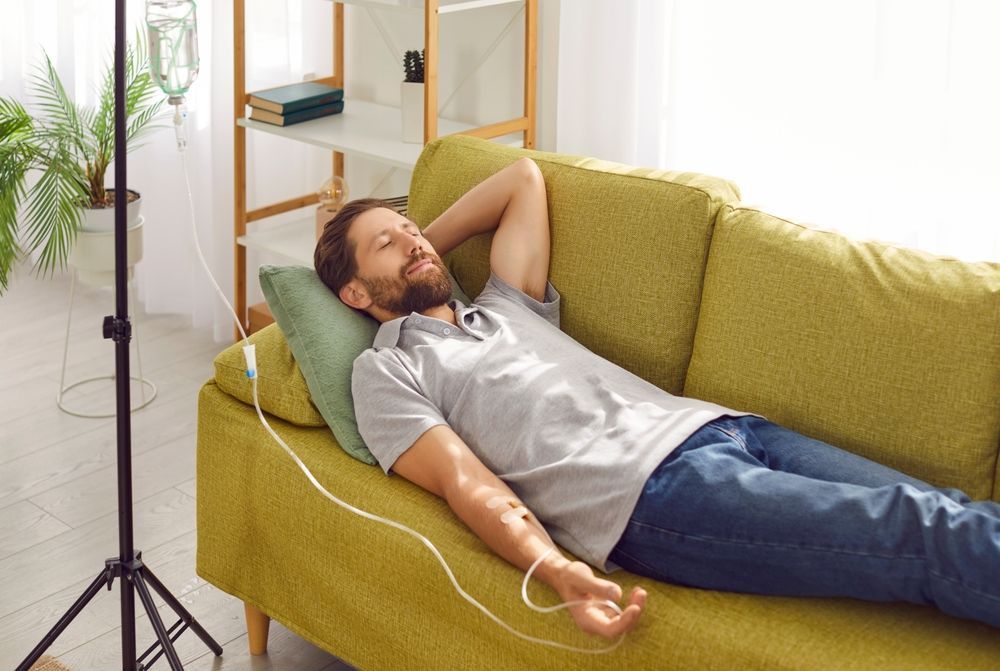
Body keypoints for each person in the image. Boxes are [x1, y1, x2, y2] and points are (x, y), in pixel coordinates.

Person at [314, 157, 1000, 639]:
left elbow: (522, 181)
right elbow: (466, 483)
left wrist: (417, 241)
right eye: (387, 244)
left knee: (952, 509)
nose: (412, 244)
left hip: (721, 427)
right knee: (921, 530)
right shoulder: (387, 372)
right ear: (354, 294)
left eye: (411, 231)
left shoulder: (503, 306)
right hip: (657, 496)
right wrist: (553, 568)